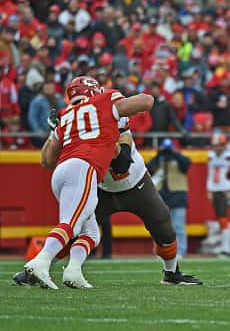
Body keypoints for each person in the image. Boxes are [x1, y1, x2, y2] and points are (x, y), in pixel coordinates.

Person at [14, 83, 202, 287]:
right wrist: (55, 134)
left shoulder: (97, 109)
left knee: (162, 222)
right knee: (79, 230)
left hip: (133, 182)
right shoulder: (80, 113)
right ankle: (41, 266)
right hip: (98, 184)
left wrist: (113, 146)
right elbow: (47, 160)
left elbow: (122, 158)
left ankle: (172, 271)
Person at [22, 76, 153, 289]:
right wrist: (118, 105)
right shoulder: (104, 101)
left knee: (91, 233)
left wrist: (53, 130)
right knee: (70, 225)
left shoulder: (65, 115)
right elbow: (146, 101)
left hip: (62, 172)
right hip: (83, 168)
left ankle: (73, 271)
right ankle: (41, 261)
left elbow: (46, 161)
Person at [147, 138, 191, 259]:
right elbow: (148, 168)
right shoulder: (158, 161)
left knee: (178, 226)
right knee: (160, 226)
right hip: (161, 196)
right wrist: (158, 155)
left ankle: (181, 252)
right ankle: (161, 251)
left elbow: (187, 163)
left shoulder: (179, 159)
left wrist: (174, 153)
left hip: (178, 196)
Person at [206, 133, 230, 256]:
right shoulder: (211, 156)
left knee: (224, 218)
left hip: (226, 190)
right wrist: (209, 189)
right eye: (215, 145)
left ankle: (226, 247)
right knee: (220, 218)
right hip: (215, 190)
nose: (217, 148)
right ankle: (225, 246)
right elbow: (210, 174)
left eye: (219, 145)